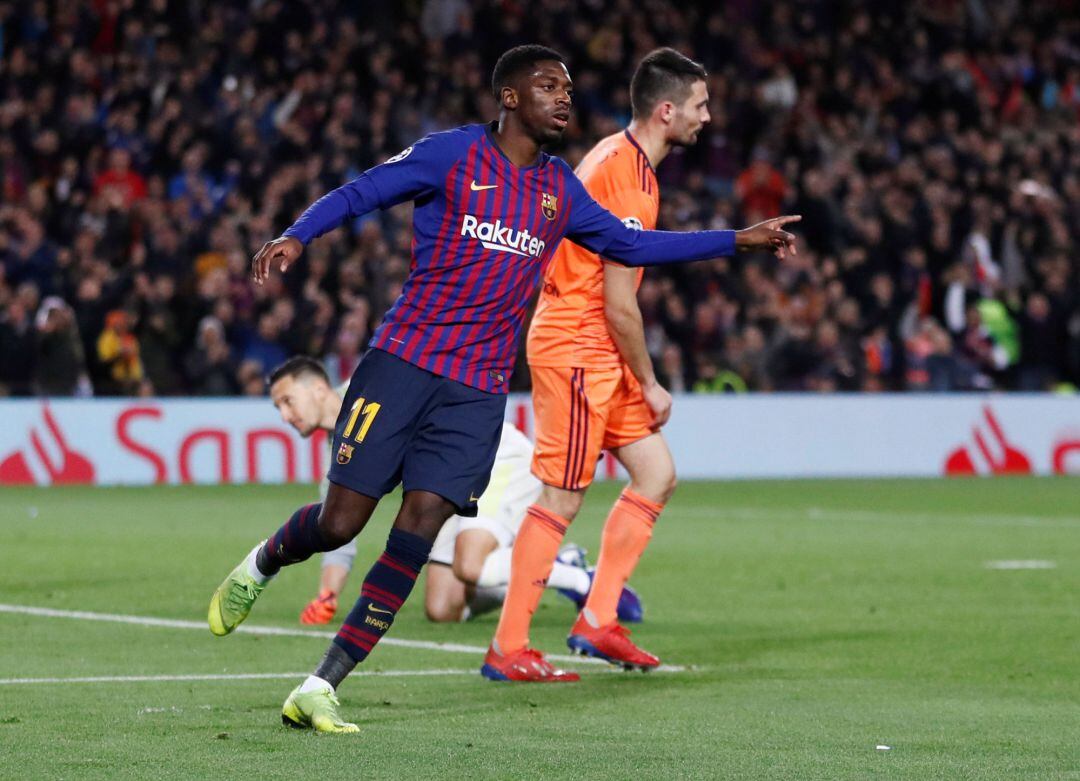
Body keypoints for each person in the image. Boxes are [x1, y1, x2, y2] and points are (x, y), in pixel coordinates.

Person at [208, 43, 799, 733]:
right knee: (341, 521)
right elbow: (362, 189)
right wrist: (298, 234)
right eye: (549, 85)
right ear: (511, 97)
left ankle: (322, 683)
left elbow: (631, 246)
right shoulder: (453, 154)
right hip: (403, 363)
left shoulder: (557, 190)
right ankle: (263, 560)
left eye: (570, 88)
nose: (565, 97)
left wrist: (737, 241)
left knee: (419, 525)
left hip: (476, 393)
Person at [484, 48, 719, 681]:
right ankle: (508, 647)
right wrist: (650, 382)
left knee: (655, 472)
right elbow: (619, 303)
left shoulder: (624, 160)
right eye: (700, 105)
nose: (707, 116)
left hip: (591, 343)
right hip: (580, 343)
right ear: (666, 110)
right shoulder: (627, 179)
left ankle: (598, 619)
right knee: (562, 497)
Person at [264, 356, 625, 626]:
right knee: (443, 608)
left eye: (287, 401)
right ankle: (554, 563)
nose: (284, 415)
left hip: (490, 457)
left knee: (471, 566)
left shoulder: (375, 385)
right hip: (444, 488)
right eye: (278, 407)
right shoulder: (341, 450)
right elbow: (336, 530)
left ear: (317, 388)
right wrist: (327, 595)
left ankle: (582, 581)